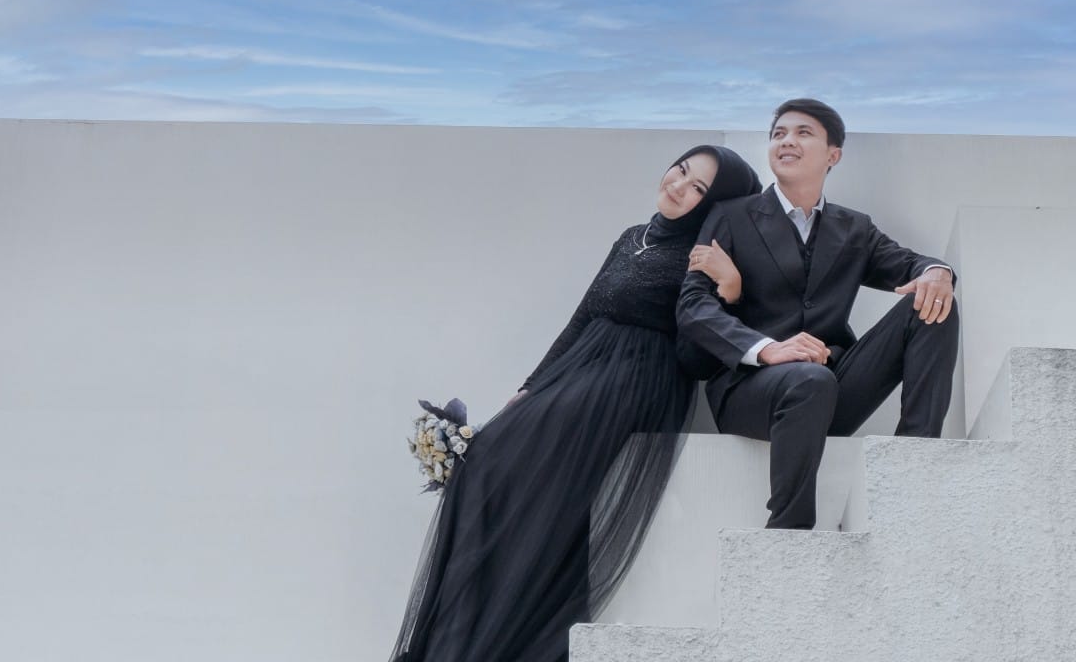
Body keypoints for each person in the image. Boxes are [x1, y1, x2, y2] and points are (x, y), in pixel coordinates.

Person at [391, 146, 761, 662]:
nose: (679, 186)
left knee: (508, 466)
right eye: (680, 170)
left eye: (697, 187)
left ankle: (503, 630)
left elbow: (696, 359)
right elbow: (583, 316)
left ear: (714, 204)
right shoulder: (632, 236)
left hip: (634, 377)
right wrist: (531, 386)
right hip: (583, 364)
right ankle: (463, 626)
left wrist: (730, 288)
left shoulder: (704, 256)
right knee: (485, 461)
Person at [677, 99, 959, 530]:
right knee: (810, 380)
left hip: (834, 387)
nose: (786, 141)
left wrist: (937, 271)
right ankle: (789, 530)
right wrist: (765, 349)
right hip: (752, 391)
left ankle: (915, 460)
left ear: (833, 155)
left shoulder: (855, 228)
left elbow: (908, 264)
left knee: (933, 302)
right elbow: (693, 305)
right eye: (779, 134)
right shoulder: (731, 216)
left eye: (802, 133)